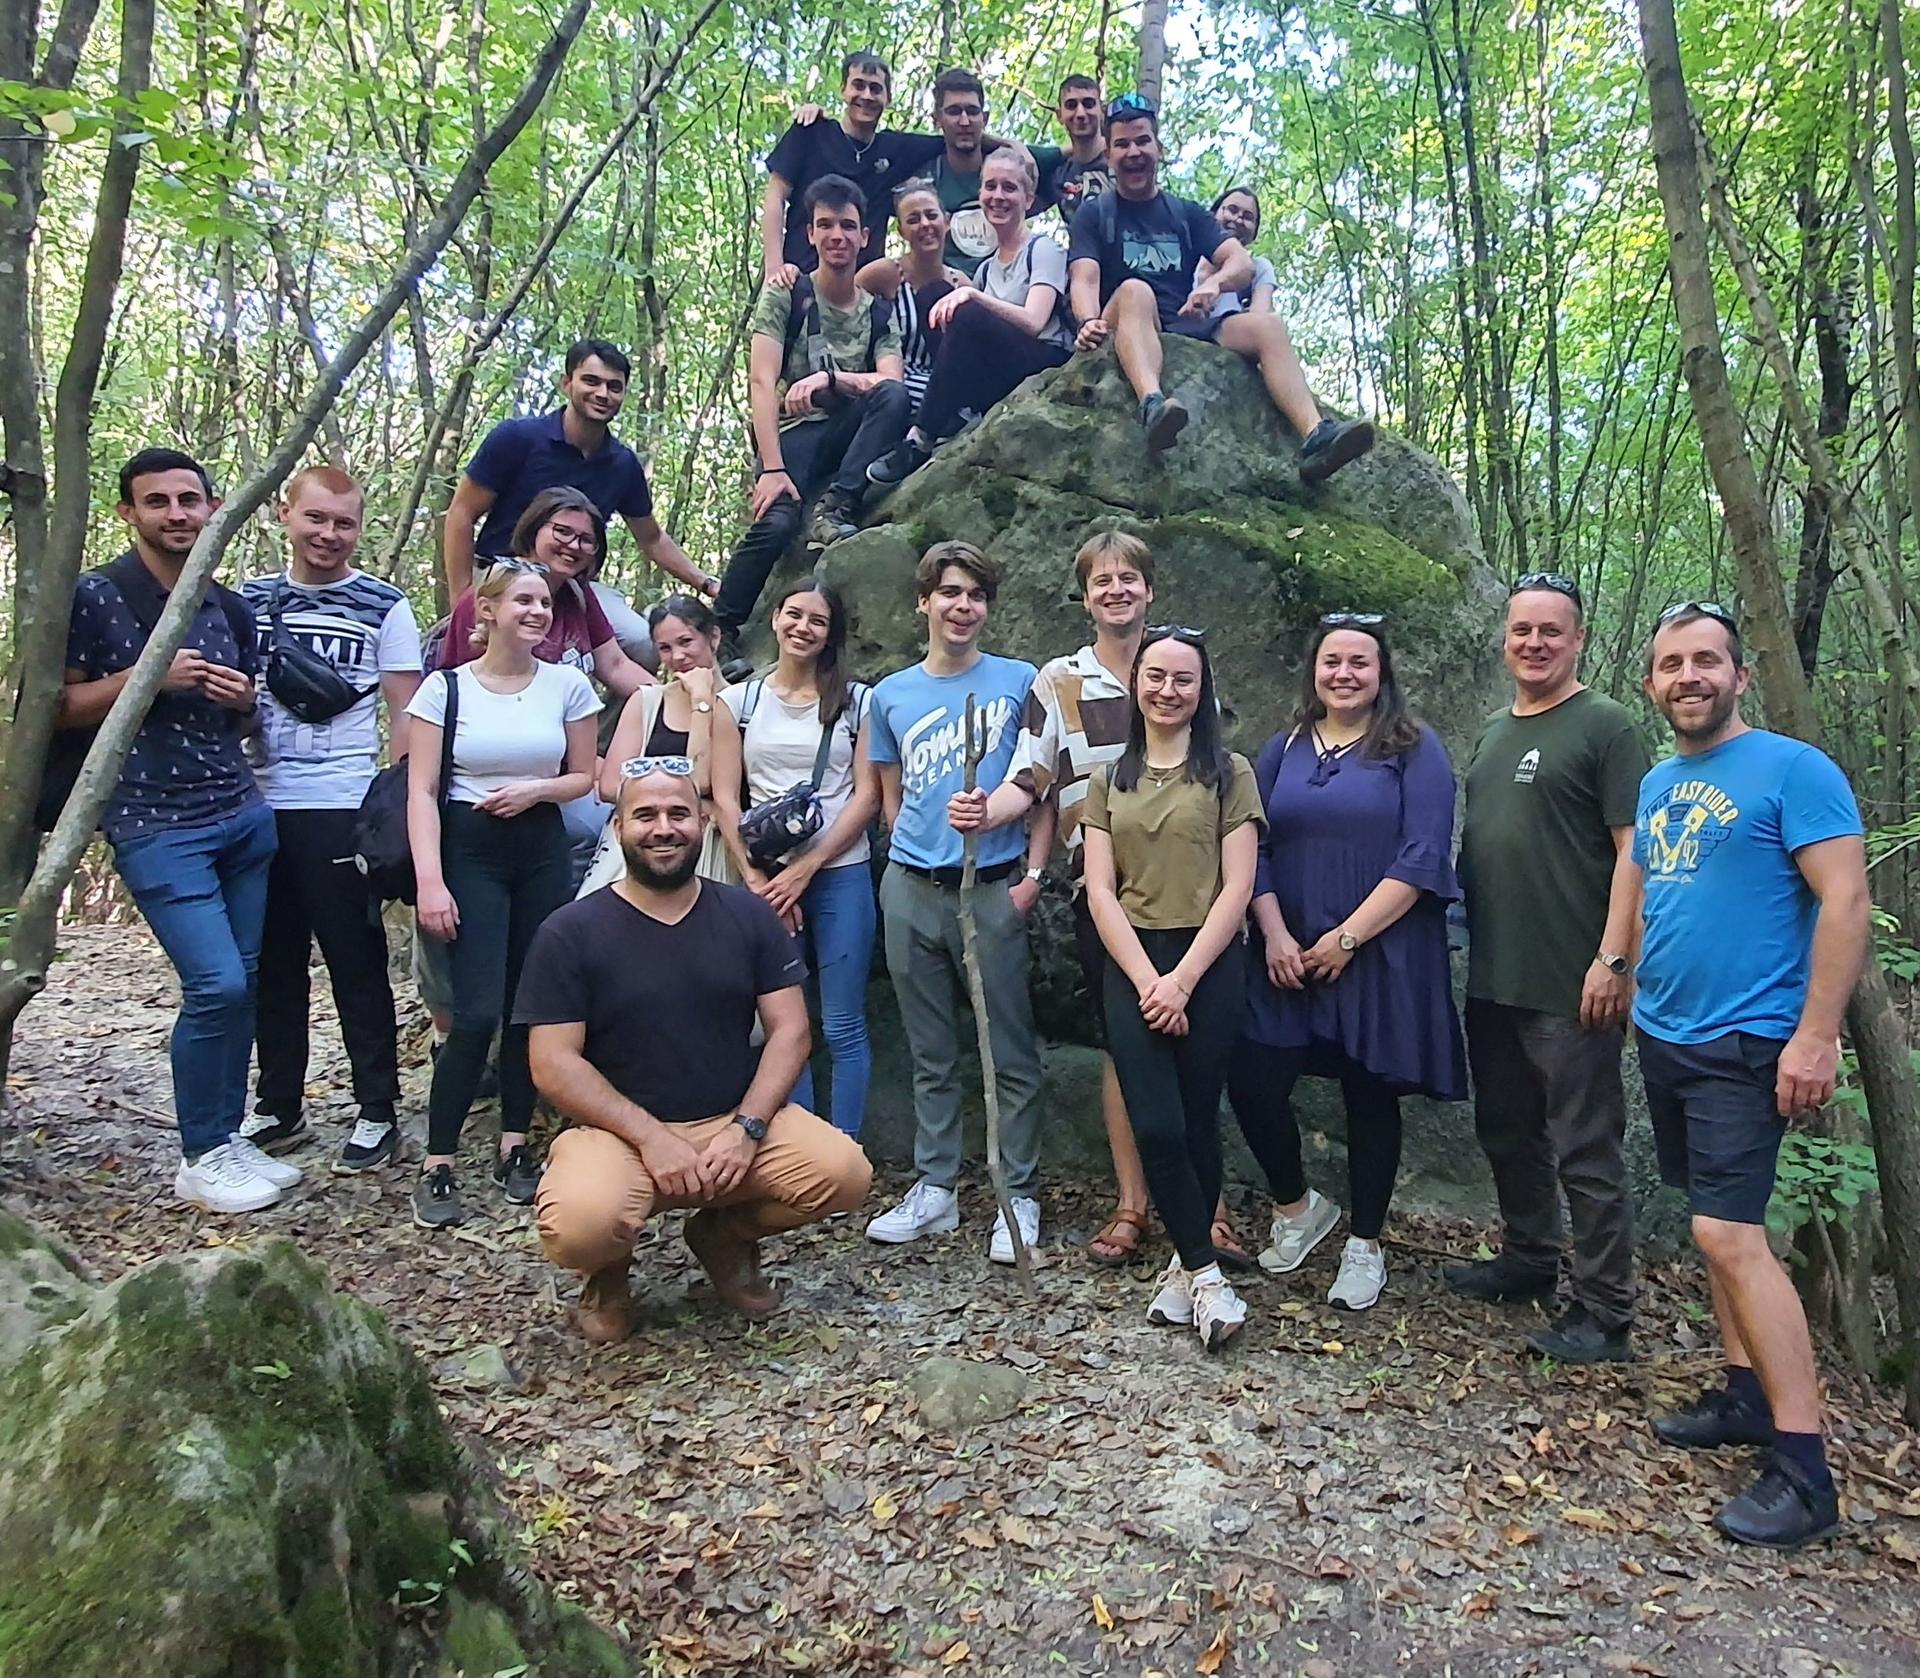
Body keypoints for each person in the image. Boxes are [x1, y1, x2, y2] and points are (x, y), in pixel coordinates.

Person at [948, 531, 1250, 1266]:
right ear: (1083, 595)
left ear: (1149, 588)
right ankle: (1132, 1204)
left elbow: (1218, 779)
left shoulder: (1183, 667)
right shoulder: (1060, 681)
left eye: (1128, 578)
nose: (1115, 590)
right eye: (1101, 580)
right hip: (1104, 895)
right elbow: (1032, 774)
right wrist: (984, 813)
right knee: (1127, 1042)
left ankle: (1206, 1212)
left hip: (1193, 898)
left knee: (1198, 1052)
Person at [1634, 603, 1867, 1550]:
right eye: (1670, 665)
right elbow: (1657, 888)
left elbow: (1846, 898)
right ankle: (1743, 1397)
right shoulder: (1659, 781)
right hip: (1666, 1030)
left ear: (1737, 674)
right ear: (1653, 682)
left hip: (1751, 1038)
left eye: (1705, 662)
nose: (1687, 677)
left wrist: (1817, 1035)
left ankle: (1806, 1472)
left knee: (1729, 1237)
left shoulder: (1793, 770)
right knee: (1713, 1227)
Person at [523, 760, 874, 1342]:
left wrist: (747, 1129)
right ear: (617, 829)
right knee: (580, 1226)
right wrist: (652, 1138)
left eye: (678, 813)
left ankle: (724, 1236)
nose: (663, 828)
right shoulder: (570, 931)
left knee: (844, 1175)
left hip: (727, 1123)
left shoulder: (747, 916)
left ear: (705, 822)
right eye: (646, 815)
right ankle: (607, 1273)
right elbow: (552, 1061)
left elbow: (790, 1030)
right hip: (618, 1136)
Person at [57, 449, 285, 1213]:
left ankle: (225, 1137)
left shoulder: (230, 607)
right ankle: (198, 1152)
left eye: (190, 500)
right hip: (153, 821)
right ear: (129, 512)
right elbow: (57, 707)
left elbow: (251, 717)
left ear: (214, 508)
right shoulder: (95, 596)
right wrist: (146, 677)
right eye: (158, 502)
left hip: (240, 814)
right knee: (214, 982)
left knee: (243, 984)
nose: (177, 514)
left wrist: (240, 695)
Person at [1227, 615, 1465, 1310]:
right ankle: (1297, 1209)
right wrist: (1273, 934)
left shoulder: (1414, 748)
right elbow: (1254, 845)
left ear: (1381, 673)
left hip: (1379, 952)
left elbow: (1424, 855)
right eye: (1332, 661)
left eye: (1360, 663)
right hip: (1285, 950)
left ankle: (1365, 1245)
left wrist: (1348, 940)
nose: (1345, 674)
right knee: (1253, 1077)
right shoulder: (1284, 748)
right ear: (1314, 670)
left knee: (1369, 1095)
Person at [1448, 573, 1649, 1362]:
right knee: (1507, 1131)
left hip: (1575, 980)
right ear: (1506, 639)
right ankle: (1529, 1260)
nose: (1534, 644)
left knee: (1585, 1147)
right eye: (1522, 630)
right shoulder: (1494, 732)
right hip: (1496, 972)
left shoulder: (1606, 726)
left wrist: (1615, 958)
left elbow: (1636, 848)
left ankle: (1605, 1312)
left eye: (1551, 632)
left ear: (1580, 641)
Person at [864, 542, 1046, 1262]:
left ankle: (1018, 1193)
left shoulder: (1018, 681)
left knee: (1009, 1048)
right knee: (931, 1047)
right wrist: (908, 849)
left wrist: (1030, 873)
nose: (961, 606)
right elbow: (889, 790)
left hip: (992, 886)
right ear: (924, 602)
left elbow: (1041, 781)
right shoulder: (891, 695)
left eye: (974, 594)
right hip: (911, 885)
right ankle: (936, 1187)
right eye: (948, 592)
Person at [405, 560, 601, 1230]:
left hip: (540, 846)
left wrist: (536, 790)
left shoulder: (568, 686)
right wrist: (430, 880)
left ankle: (515, 1142)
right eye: (523, 600)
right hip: (470, 848)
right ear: (486, 610)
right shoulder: (445, 690)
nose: (538, 612)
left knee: (531, 1005)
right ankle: (438, 1159)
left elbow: (584, 776)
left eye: (545, 602)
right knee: (477, 1009)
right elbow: (421, 791)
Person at [240, 466, 423, 1176]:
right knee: (273, 963)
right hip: (256, 802)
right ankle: (278, 1103)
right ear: (286, 514)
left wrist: (395, 805)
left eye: (343, 523)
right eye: (315, 519)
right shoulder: (246, 601)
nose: (328, 535)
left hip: (341, 802)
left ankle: (377, 1109)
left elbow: (405, 713)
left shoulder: (384, 605)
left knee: (354, 960)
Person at [1081, 629, 1262, 1348]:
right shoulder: (1109, 778)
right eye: (1155, 676)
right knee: (1153, 1122)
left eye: (1183, 679)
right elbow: (1099, 890)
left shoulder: (1230, 772)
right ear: (1137, 684)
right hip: (1131, 961)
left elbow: (1239, 885)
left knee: (1193, 1117)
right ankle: (1208, 1277)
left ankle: (1188, 1275)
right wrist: (1149, 980)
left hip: (1209, 961)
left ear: (1202, 689)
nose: (1167, 691)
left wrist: (1183, 980)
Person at [1068, 94, 1373, 476]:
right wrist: (1087, 320)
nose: (1134, 152)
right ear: (1110, 155)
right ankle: (1152, 404)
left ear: (1159, 148)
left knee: (1268, 326)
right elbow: (1084, 277)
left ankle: (1316, 437)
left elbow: (1241, 263)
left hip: (1182, 321)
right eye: (1123, 144)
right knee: (1135, 290)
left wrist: (1215, 285)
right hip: (1124, 316)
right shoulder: (1095, 213)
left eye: (1143, 141)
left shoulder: (1186, 213)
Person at [714, 175, 909, 661]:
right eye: (826, 225)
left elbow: (891, 382)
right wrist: (772, 469)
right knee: (777, 522)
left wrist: (831, 381)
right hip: (794, 437)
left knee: (894, 402)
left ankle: (834, 508)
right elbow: (761, 381)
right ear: (810, 234)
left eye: (848, 225)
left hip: (850, 430)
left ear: (865, 236)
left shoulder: (879, 312)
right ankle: (721, 629)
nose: (837, 235)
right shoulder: (789, 294)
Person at [713, 578, 879, 1137]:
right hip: (765, 882)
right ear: (775, 618)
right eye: (795, 615)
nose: (803, 628)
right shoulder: (739, 702)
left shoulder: (857, 702)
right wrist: (758, 880)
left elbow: (867, 795)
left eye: (817, 621)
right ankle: (801, 1144)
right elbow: (722, 797)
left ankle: (845, 1148)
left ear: (831, 634)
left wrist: (807, 869)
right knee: (787, 1021)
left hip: (840, 871)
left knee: (842, 1019)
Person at [440, 488, 655, 879]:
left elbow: (615, 664)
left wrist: (677, 701)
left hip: (562, 768)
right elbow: (479, 704)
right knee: (608, 820)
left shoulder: (577, 596)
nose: (573, 545)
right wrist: (587, 764)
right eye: (562, 532)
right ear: (534, 529)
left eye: (586, 539)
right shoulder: (488, 599)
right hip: (499, 775)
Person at [442, 338, 715, 601]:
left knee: (642, 640)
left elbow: (652, 538)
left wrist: (708, 584)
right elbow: (461, 513)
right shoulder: (517, 438)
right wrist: (462, 600)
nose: (602, 394)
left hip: (573, 587)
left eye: (614, 386)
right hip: (501, 575)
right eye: (591, 381)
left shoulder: (622, 464)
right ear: (567, 383)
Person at [866, 144, 1074, 489]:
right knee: (934, 295)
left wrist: (972, 296)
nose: (998, 196)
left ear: (1028, 199)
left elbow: (1035, 321)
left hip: (1044, 363)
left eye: (1009, 188)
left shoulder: (1044, 249)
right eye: (990, 186)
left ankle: (919, 439)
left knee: (964, 308)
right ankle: (956, 411)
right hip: (999, 376)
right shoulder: (988, 268)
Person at [580, 594, 736, 894]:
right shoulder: (647, 701)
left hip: (712, 851)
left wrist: (702, 702)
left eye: (686, 642)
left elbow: (700, 780)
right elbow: (610, 786)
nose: (677, 656)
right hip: (643, 847)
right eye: (665, 648)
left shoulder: (742, 703)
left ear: (713, 637)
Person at [762, 51, 943, 286]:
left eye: (876, 89)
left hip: (862, 293)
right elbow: (775, 195)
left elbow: (956, 139)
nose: (866, 96)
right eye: (858, 85)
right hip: (800, 280)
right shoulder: (810, 132)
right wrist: (773, 267)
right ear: (843, 90)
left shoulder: (896, 149)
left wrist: (1005, 146)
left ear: (888, 98)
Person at [854, 181, 962, 413]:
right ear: (902, 231)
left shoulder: (961, 284)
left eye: (931, 215)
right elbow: (842, 311)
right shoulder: (882, 274)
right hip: (896, 388)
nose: (924, 224)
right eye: (913, 219)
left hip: (948, 386)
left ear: (947, 221)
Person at [923, 69, 998, 272]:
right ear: (937, 119)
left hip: (1005, 289)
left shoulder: (1010, 169)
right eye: (954, 111)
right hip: (944, 288)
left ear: (985, 118)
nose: (964, 121)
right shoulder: (923, 179)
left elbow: (1072, 153)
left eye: (972, 112)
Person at [1031, 74, 1111, 224]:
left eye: (1088, 104)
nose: (1080, 113)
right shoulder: (1059, 175)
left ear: (1102, 111)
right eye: (1071, 105)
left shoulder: (1122, 158)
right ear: (1059, 115)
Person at [1198, 186, 1274, 316]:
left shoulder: (1259, 268)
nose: (1238, 220)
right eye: (1232, 210)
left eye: (1248, 217)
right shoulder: (1187, 258)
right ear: (1213, 215)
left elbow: (1261, 315)